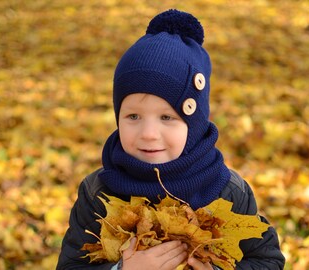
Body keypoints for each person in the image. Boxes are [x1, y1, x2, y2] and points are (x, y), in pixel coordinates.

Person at [57, 9, 285, 270]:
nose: (148, 133)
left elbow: (268, 261)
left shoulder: (227, 190)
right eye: (133, 116)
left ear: (194, 124)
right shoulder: (99, 192)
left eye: (166, 118)